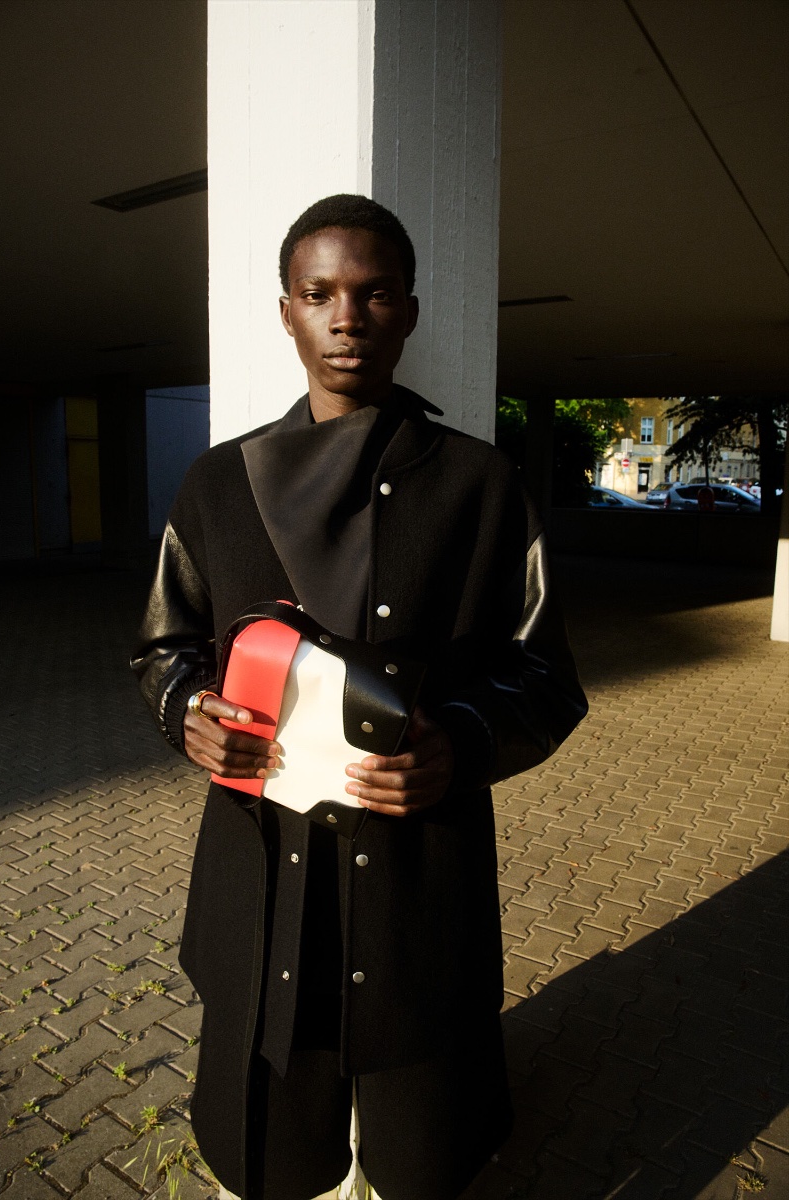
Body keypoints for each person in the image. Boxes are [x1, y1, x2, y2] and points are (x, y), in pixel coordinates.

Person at [132, 194, 588, 1200]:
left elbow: (545, 678)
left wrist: (457, 744)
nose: (347, 316)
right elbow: (162, 647)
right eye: (319, 293)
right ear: (286, 312)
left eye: (373, 292)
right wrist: (189, 714)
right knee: (271, 1145)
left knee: (415, 1143)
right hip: (259, 875)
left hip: (415, 878)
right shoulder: (215, 486)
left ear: (409, 312)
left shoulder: (481, 487)